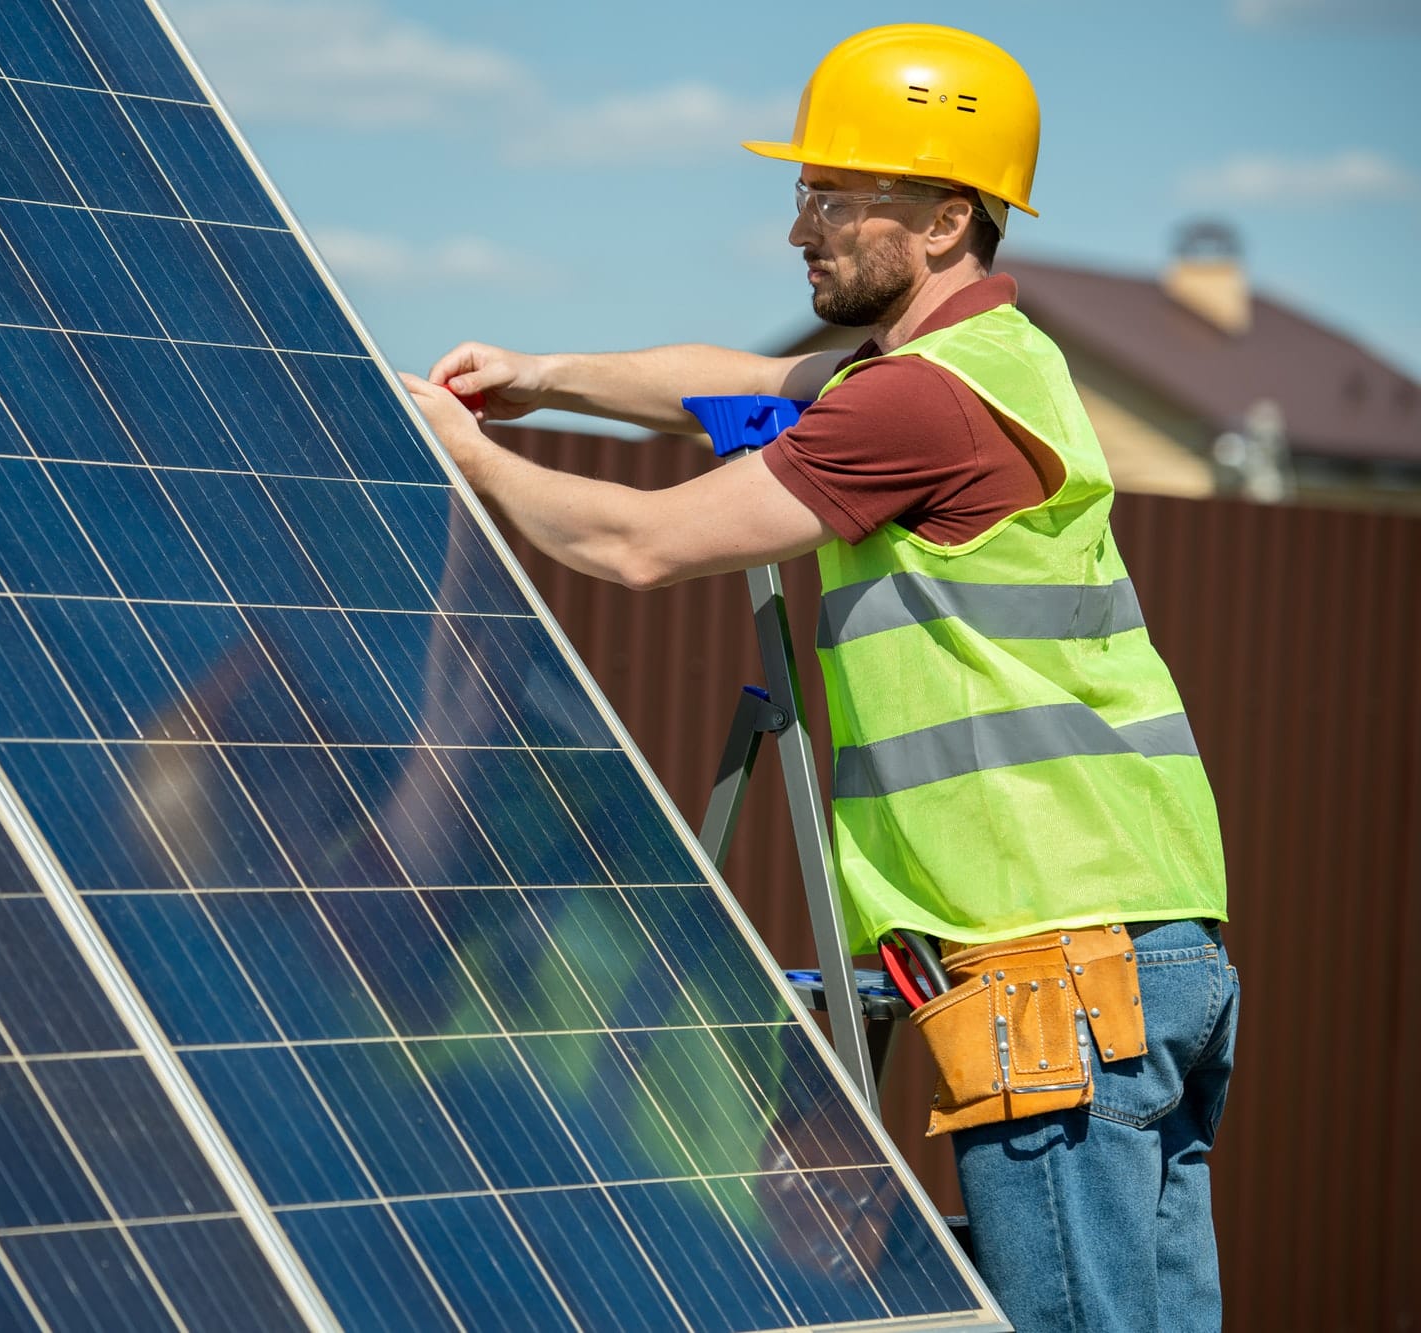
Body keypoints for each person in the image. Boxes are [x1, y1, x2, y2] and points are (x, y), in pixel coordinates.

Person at [402, 23, 1238, 1333]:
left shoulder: (916, 405)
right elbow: (727, 384)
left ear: (950, 215)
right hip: (1147, 947)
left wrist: (464, 454)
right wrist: (538, 378)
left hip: (1050, 964)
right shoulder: (984, 365)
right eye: (805, 190)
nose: (804, 224)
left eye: (842, 196)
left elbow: (638, 544)